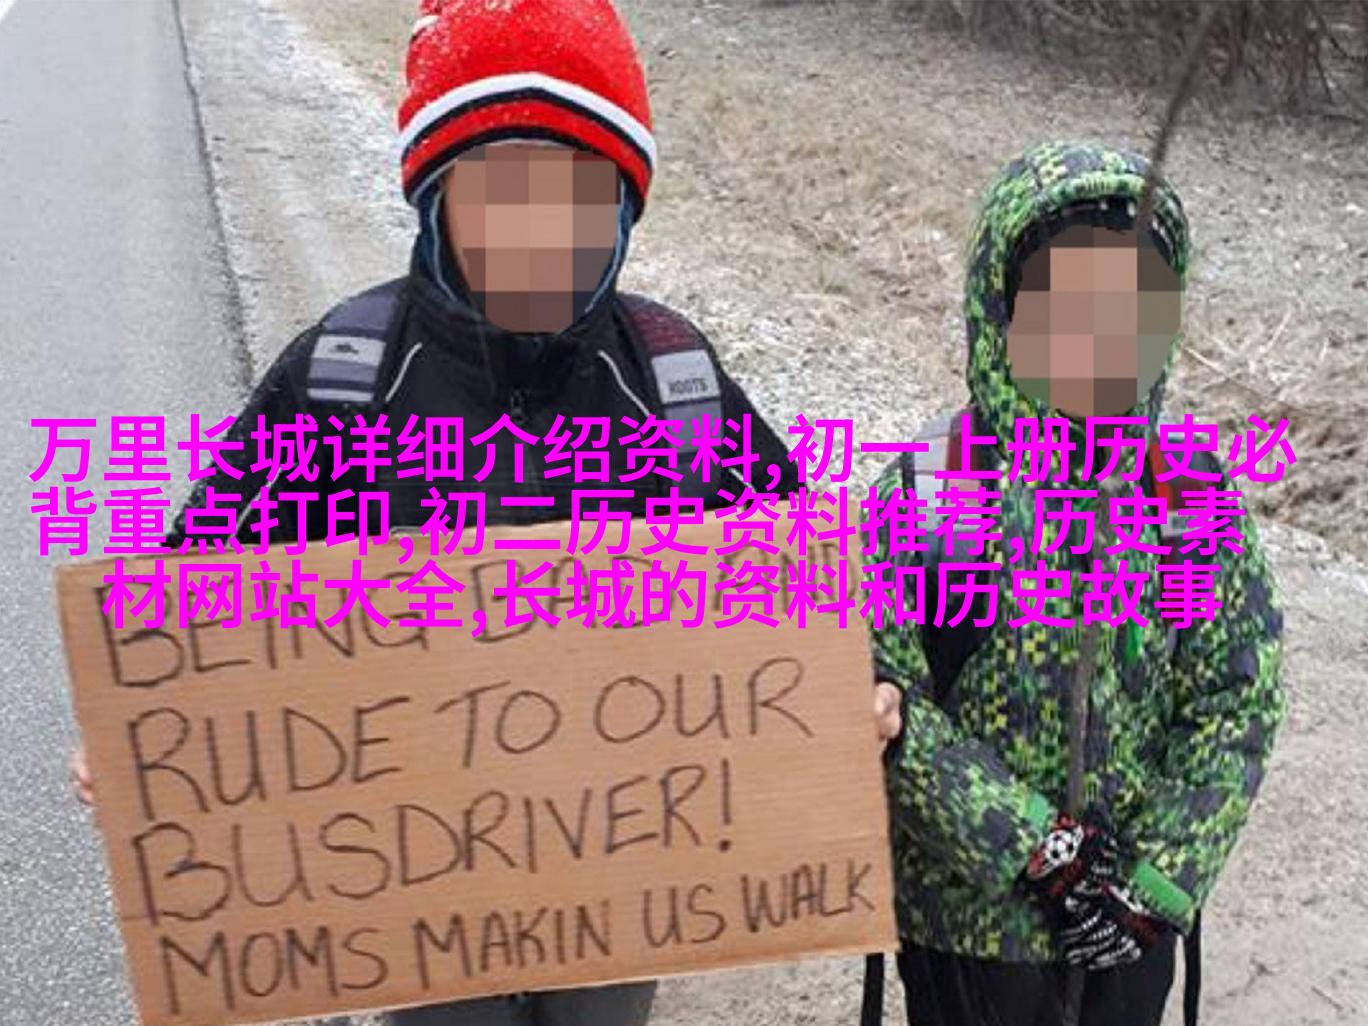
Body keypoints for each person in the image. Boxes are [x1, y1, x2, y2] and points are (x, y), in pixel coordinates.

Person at [69, 1, 799, 1023]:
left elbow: (808, 586)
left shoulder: (672, 380)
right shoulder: (347, 378)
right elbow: (194, 587)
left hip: (620, 883)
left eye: (578, 194)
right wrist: (143, 725)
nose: (539, 233)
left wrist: (867, 691)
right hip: (417, 896)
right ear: (435, 198)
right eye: (500, 191)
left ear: (624, 208)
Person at [867, 141, 1285, 1026]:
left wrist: (1156, 882)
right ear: (1002, 310)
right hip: (971, 936)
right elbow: (885, 705)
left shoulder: (1188, 495)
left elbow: (1235, 698)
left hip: (1129, 940)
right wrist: (1036, 847)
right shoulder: (929, 490)